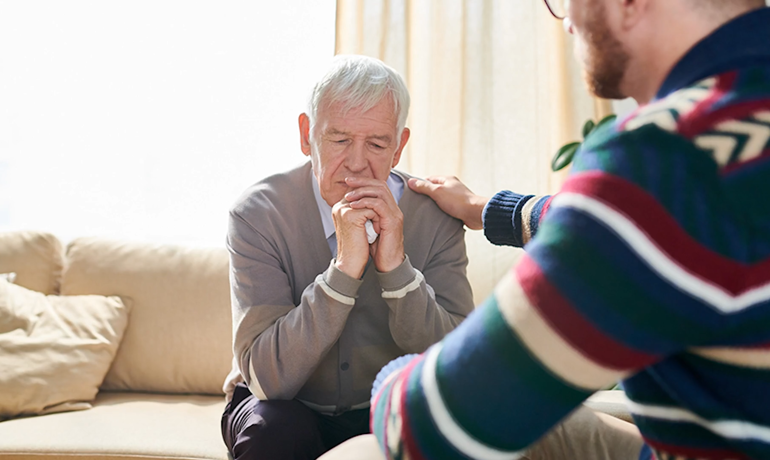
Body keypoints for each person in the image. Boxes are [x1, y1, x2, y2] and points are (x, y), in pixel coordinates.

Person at [358, 0, 770, 459]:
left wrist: (393, 374)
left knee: (363, 451)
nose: (565, 20)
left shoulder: (664, 158)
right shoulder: (730, 142)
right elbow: (670, 223)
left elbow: (428, 428)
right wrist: (485, 209)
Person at [220, 54, 474, 460]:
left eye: (377, 144)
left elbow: (457, 366)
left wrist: (397, 270)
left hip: (388, 406)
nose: (357, 163)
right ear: (307, 135)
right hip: (283, 407)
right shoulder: (257, 214)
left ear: (399, 147)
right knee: (275, 432)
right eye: (339, 140)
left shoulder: (437, 215)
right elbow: (268, 380)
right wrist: (343, 271)